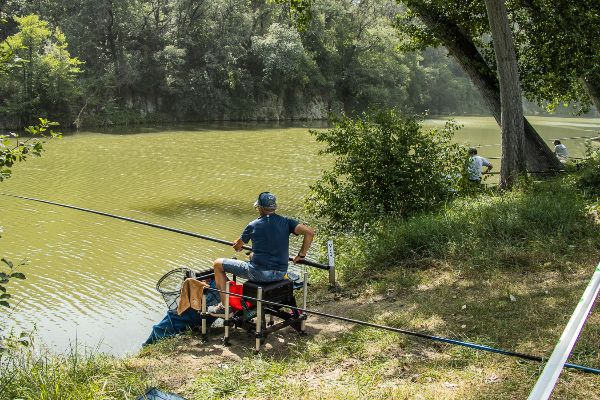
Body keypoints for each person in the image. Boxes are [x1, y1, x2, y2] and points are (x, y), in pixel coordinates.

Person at [209, 192, 315, 316]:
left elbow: (238, 247)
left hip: (258, 273)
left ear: (260, 208)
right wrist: (301, 255)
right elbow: (310, 232)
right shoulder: (287, 222)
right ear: (274, 207)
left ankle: (225, 307)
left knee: (217, 264)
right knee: (253, 256)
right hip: (281, 273)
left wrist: (237, 244)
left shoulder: (253, 225)